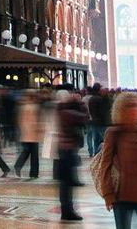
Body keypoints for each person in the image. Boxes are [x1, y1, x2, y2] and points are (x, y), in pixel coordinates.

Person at [98, 91, 137, 229]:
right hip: (122, 195)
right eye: (131, 106)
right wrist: (108, 194)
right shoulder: (113, 133)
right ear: (122, 110)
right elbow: (105, 165)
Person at [54, 89, 87, 222]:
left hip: (64, 149)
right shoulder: (65, 112)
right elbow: (84, 117)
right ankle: (68, 211)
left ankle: (67, 210)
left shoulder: (60, 110)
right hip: (67, 150)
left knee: (65, 183)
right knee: (67, 183)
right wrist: (80, 103)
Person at [14, 89, 44, 179]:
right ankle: (33, 173)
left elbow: (19, 121)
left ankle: (19, 165)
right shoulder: (34, 106)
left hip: (26, 133)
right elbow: (38, 121)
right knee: (34, 154)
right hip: (33, 133)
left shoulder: (22, 105)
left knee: (26, 151)